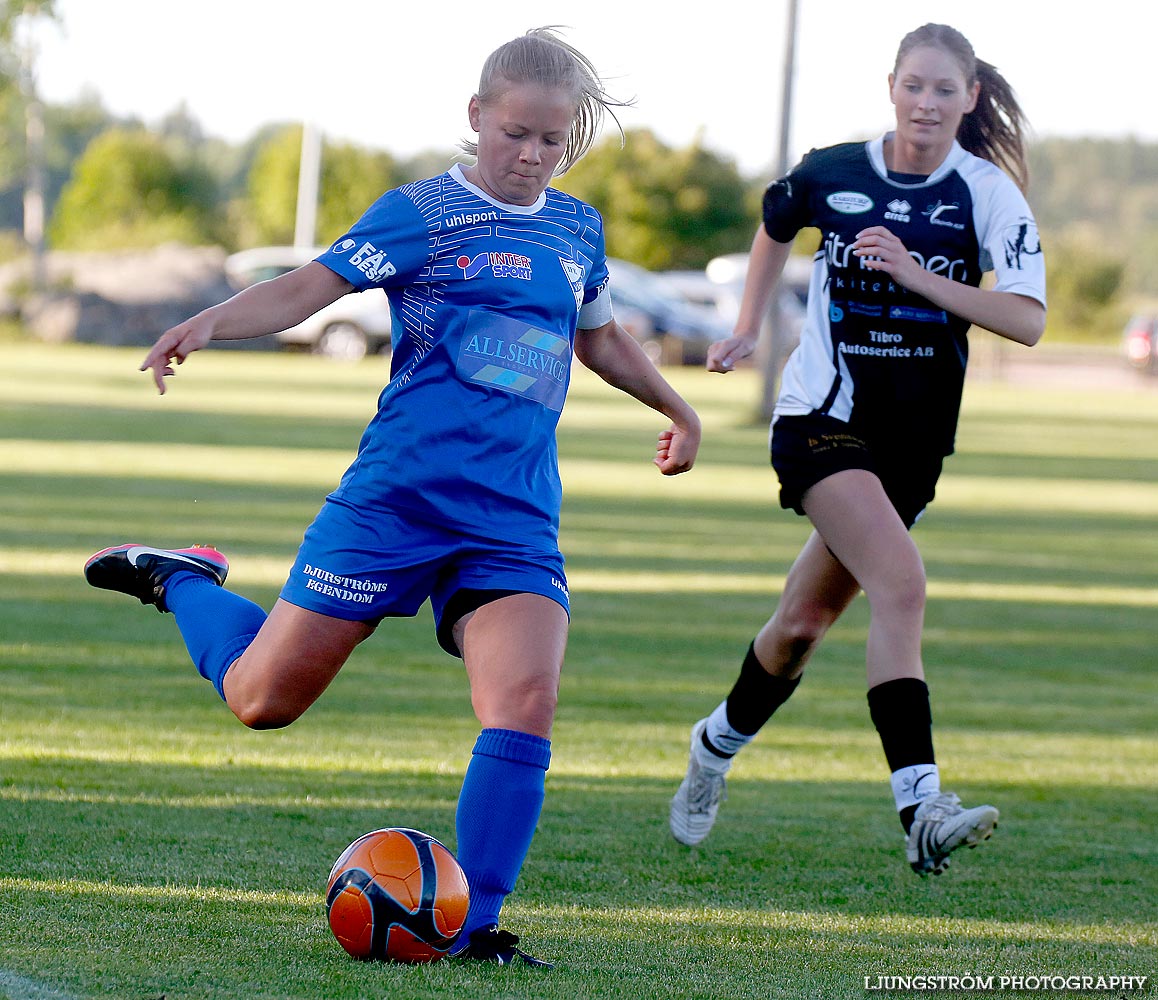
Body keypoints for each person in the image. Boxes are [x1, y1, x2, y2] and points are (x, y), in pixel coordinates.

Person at [84, 27, 701, 966]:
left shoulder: (577, 228)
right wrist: (206, 324)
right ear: (477, 117)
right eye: (515, 134)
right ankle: (182, 582)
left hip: (512, 518)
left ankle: (477, 926)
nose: (532, 156)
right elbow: (306, 289)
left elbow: (599, 338)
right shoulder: (420, 214)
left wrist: (676, 406)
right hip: (395, 504)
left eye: (552, 142)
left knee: (526, 699)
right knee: (262, 700)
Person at [669, 23, 1045, 877]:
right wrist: (745, 328)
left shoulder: (987, 195)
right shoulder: (834, 169)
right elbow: (775, 225)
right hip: (821, 421)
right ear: (891, 86)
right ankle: (920, 803)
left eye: (945, 90)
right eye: (914, 85)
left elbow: (1026, 319)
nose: (927, 102)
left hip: (912, 447)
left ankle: (715, 743)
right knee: (902, 583)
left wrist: (918, 276)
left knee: (800, 629)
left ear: (970, 98)